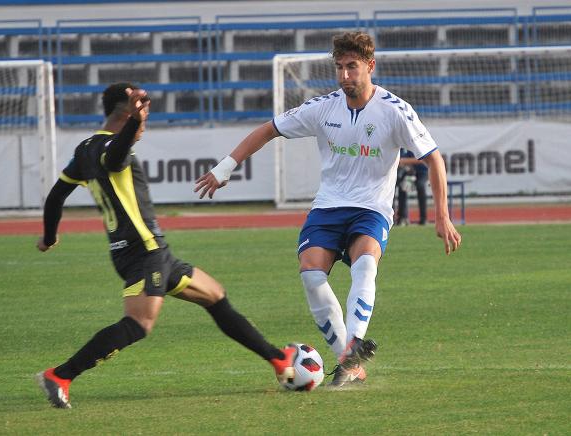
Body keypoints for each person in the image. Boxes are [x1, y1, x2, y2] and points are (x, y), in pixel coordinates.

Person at [195, 31, 462, 389]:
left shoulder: (396, 111)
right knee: (310, 274)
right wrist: (224, 167)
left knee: (365, 264)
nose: (344, 75)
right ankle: (348, 360)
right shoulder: (322, 108)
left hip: (371, 209)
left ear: (370, 65)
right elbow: (268, 129)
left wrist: (442, 214)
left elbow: (434, 160)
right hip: (328, 207)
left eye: (352, 67)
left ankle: (354, 343)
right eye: (339, 67)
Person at [35, 83, 295, 409]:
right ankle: (60, 375)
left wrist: (48, 237)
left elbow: (56, 196)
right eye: (141, 116)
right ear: (128, 113)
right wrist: (133, 121)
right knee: (139, 324)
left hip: (151, 252)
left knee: (214, 295)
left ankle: (279, 360)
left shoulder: (85, 149)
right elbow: (115, 158)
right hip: (144, 251)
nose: (145, 123)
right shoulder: (111, 148)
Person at [396, 148, 429, 225]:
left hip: (422, 172)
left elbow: (421, 159)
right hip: (410, 172)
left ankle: (423, 218)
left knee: (420, 186)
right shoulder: (403, 145)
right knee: (402, 187)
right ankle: (402, 217)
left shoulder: (418, 141)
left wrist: (403, 161)